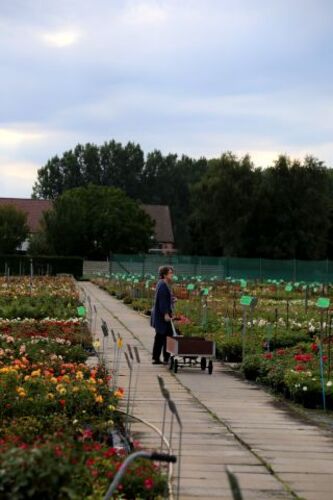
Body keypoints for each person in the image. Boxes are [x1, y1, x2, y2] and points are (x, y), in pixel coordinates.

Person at [151, 265, 175, 364]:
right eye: (170, 273)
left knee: (164, 336)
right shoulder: (162, 285)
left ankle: (162, 357)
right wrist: (165, 314)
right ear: (165, 275)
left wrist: (172, 300)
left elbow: (165, 299)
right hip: (162, 316)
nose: (172, 275)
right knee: (164, 336)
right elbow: (162, 301)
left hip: (162, 315)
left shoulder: (163, 284)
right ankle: (160, 358)